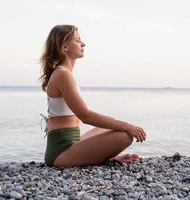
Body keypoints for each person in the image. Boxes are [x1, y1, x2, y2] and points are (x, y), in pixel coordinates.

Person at [39, 25, 147, 168]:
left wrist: (124, 127)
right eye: (78, 41)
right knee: (125, 135)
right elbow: (85, 116)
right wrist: (129, 126)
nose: (83, 44)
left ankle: (106, 157)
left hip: (72, 144)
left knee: (114, 128)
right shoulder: (62, 75)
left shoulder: (64, 73)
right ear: (65, 47)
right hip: (60, 153)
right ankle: (101, 158)